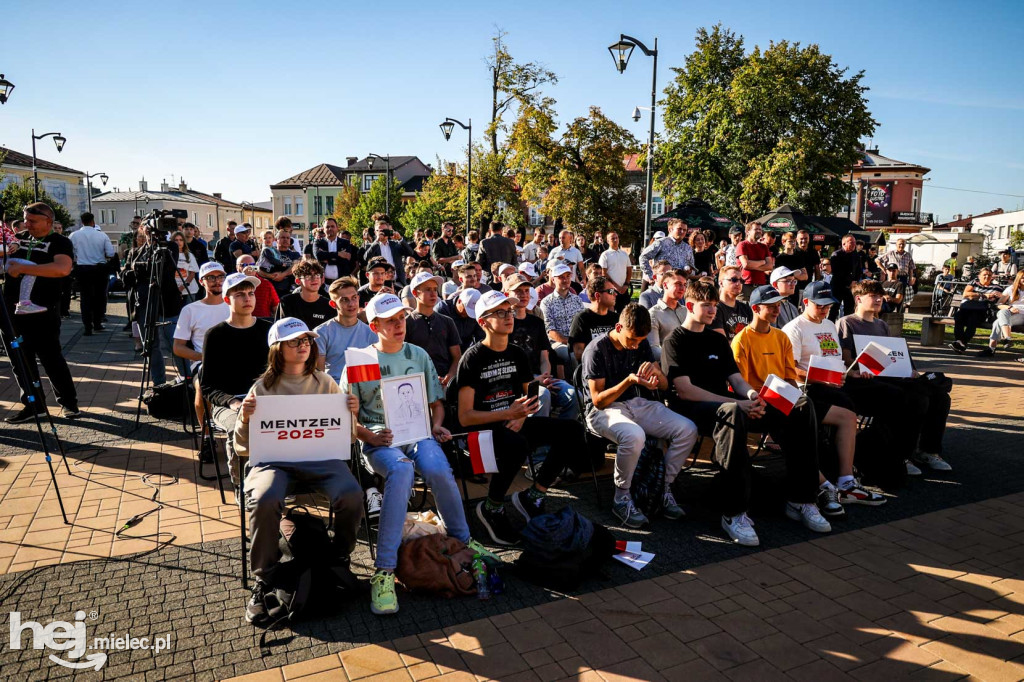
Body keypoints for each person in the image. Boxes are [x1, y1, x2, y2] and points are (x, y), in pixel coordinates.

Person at [665, 279, 823, 546]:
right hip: (694, 410)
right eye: (707, 305)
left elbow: (737, 380)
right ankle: (734, 512)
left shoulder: (716, 340)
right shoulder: (675, 341)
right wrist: (738, 404)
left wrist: (753, 396)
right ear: (690, 306)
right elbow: (684, 391)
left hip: (731, 406)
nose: (713, 310)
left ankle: (802, 498)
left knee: (801, 404)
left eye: (715, 305)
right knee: (731, 411)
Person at [233, 317, 363, 626]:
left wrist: (350, 415)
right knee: (265, 498)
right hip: (274, 461)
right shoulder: (262, 387)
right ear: (277, 349)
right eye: (295, 341)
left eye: (306, 340)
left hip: (320, 459)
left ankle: (339, 557)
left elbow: (347, 438)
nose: (303, 345)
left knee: (351, 494)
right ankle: (264, 576)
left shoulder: (325, 382)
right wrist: (245, 418)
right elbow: (242, 446)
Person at [455, 290, 589, 545]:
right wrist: (509, 413)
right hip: (483, 429)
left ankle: (534, 495)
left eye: (510, 311)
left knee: (571, 430)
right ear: (483, 322)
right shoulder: (473, 358)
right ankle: (492, 507)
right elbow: (465, 417)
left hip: (514, 420)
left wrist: (523, 415)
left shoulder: (516, 353)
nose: (510, 316)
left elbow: (530, 395)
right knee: (517, 445)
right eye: (501, 312)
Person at [734, 285, 874, 521]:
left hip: (785, 399)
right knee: (803, 421)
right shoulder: (742, 340)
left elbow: (789, 377)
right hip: (758, 402)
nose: (777, 309)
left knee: (811, 415)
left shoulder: (780, 337)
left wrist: (792, 395)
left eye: (779, 304)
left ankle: (827, 486)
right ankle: (823, 488)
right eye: (771, 306)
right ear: (756, 309)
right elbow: (743, 385)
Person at [783, 281, 910, 489]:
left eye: (828, 306)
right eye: (820, 305)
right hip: (812, 387)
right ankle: (849, 468)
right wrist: (822, 379)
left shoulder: (829, 324)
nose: (824, 310)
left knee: (895, 396)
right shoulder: (795, 329)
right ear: (806, 302)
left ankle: (881, 457)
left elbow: (835, 357)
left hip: (839, 381)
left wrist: (852, 373)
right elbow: (791, 370)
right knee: (848, 404)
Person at [582, 303, 697, 527]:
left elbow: (663, 386)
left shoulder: (641, 342)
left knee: (687, 429)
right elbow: (598, 401)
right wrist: (629, 381)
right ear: (618, 327)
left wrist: (657, 375)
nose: (635, 346)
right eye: (632, 340)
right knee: (634, 436)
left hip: (637, 402)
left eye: (640, 341)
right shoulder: (596, 349)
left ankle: (661, 487)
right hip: (603, 410)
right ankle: (622, 496)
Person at [837, 280, 953, 473]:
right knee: (914, 399)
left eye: (880, 296)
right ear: (858, 299)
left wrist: (908, 369)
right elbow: (845, 358)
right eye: (873, 296)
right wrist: (860, 368)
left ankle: (928, 450)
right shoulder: (846, 323)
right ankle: (901, 455)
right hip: (864, 381)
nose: (878, 300)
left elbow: (891, 355)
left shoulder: (882, 325)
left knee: (940, 397)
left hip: (888, 376)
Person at [1, 203, 81, 422]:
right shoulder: (17, 238)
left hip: (43, 310)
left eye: (32, 221)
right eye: (25, 219)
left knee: (51, 358)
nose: (27, 224)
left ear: (48, 220)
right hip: (10, 309)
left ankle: (69, 403)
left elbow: (62, 268)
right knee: (20, 361)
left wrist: (25, 268)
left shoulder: (60, 242)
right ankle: (33, 405)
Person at [200, 272, 273, 484]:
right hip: (228, 403)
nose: (248, 299)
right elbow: (207, 385)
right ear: (227, 300)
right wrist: (232, 402)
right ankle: (242, 484)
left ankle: (280, 480)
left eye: (251, 293)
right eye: (240, 294)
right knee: (239, 427)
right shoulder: (215, 335)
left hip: (265, 399)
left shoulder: (267, 330)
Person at [504, 273, 577, 419]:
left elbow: (544, 356)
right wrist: (534, 383)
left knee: (573, 395)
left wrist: (545, 378)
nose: (524, 295)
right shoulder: (505, 323)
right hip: (516, 380)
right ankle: (540, 439)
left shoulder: (536, 322)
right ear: (508, 294)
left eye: (526, 291)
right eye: (518, 291)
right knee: (542, 395)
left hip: (539, 375)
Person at [313, 276, 378, 383]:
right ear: (333, 304)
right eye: (344, 300)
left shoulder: (371, 332)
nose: (351, 304)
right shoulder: (320, 333)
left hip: (363, 389)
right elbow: (320, 377)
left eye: (354, 298)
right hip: (334, 391)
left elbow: (373, 374)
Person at [404, 271, 462, 387]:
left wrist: (449, 377)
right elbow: (404, 360)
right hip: (417, 385)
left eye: (435, 289)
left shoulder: (447, 322)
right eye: (428, 289)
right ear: (415, 293)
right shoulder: (406, 323)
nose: (433, 293)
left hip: (446, 385)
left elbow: (457, 357)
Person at [172, 262, 229, 373]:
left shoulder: (234, 306)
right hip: (204, 367)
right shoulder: (190, 310)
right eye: (211, 277)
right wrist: (204, 357)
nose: (217, 281)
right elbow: (178, 347)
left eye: (221, 277)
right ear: (201, 282)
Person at [68, 211, 115, 336]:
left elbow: (69, 253)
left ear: (82, 222)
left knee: (85, 298)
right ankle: (98, 322)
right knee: (99, 297)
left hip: (82, 269)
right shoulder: (102, 235)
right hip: (99, 269)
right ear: (93, 221)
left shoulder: (74, 235)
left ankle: (87, 326)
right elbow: (110, 253)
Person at [539, 263, 585, 371]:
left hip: (578, 341)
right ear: (553, 279)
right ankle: (576, 385)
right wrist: (570, 343)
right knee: (572, 355)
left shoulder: (577, 300)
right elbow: (550, 331)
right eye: (561, 277)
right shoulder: (546, 302)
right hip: (557, 343)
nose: (565, 280)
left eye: (568, 276)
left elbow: (584, 323)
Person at [949, 267, 1003, 353]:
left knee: (972, 319)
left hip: (981, 311)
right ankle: (960, 342)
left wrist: (974, 295)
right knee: (958, 316)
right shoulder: (974, 282)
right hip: (967, 308)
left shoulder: (996, 287)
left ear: (992, 276)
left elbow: (998, 299)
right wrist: (984, 295)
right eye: (984, 275)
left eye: (989, 275)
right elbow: (966, 294)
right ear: (979, 276)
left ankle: (960, 342)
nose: (987, 277)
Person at [569, 275, 619, 362]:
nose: (615, 294)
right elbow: (578, 353)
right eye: (611, 291)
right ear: (597, 295)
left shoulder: (616, 318)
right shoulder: (581, 319)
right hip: (593, 369)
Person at [646, 268, 688, 364]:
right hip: (670, 367)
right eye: (678, 284)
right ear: (665, 285)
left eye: (685, 285)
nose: (682, 288)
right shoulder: (653, 314)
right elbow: (654, 349)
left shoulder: (686, 311)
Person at [279, 260, 333, 330]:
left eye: (317, 275)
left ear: (322, 279)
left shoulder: (329, 305)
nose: (314, 279)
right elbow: (281, 330)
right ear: (298, 281)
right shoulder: (287, 302)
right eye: (308, 276)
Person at [639, 218, 695, 286]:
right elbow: (643, 257)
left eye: (685, 230)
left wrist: (690, 271)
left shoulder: (687, 248)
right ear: (670, 229)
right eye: (679, 229)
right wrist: (651, 275)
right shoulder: (661, 243)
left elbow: (692, 267)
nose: (682, 232)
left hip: (681, 286)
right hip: (663, 285)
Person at [981, 271, 1024, 356]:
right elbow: (999, 304)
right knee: (1002, 313)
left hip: (1022, 315)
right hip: (1011, 313)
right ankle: (1007, 338)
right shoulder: (1011, 288)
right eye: (1023, 277)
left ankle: (992, 348)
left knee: (998, 321)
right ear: (1018, 278)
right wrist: (1009, 307)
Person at [362, 219, 413, 286]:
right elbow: (366, 258)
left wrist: (400, 239)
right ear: (375, 232)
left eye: (385, 230)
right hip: (379, 283)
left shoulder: (395, 244)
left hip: (397, 282)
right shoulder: (371, 246)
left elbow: (410, 252)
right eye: (380, 231)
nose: (383, 233)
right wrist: (377, 241)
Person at [711, 265, 752, 342]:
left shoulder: (746, 307)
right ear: (721, 283)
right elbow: (722, 343)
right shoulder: (714, 308)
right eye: (734, 280)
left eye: (741, 281)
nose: (738, 283)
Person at [435, 287, 484, 352]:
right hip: (442, 352)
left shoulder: (476, 314)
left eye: (472, 311)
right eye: (466, 309)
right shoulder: (442, 309)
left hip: (466, 352)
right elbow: (438, 339)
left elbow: (480, 337)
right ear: (459, 301)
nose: (467, 314)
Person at [258, 229, 301, 298]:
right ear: (276, 239)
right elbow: (259, 269)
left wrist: (282, 275)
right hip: (271, 289)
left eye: (288, 238)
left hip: (289, 290)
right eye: (283, 237)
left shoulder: (295, 254)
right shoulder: (268, 252)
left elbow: (295, 266)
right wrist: (270, 276)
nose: (286, 240)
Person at [313, 218, 357, 285]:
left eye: (332, 226)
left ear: (337, 228)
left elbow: (346, 260)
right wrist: (338, 254)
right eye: (327, 227)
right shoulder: (319, 242)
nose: (330, 228)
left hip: (342, 282)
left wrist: (328, 259)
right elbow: (318, 255)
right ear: (324, 229)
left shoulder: (345, 243)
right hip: (323, 283)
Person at [736, 221, 773, 299]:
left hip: (761, 285)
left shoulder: (764, 247)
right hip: (745, 285)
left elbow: (770, 266)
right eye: (756, 229)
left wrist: (753, 265)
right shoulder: (742, 245)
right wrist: (762, 262)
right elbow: (746, 264)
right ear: (748, 232)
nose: (759, 231)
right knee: (744, 309)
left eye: (760, 229)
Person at [828, 234, 862, 321]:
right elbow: (837, 272)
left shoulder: (856, 255)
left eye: (855, 242)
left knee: (849, 310)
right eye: (851, 242)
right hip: (838, 286)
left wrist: (855, 281)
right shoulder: (836, 255)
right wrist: (848, 282)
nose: (854, 244)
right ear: (844, 244)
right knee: (834, 309)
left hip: (851, 287)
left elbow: (859, 270)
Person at [598, 230, 633, 313]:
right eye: (612, 238)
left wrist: (625, 285)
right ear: (608, 241)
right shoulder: (605, 255)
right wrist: (616, 287)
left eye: (616, 238)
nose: (615, 240)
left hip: (624, 290)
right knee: (611, 313)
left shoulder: (624, 254)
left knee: (625, 313)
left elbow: (629, 270)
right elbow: (604, 273)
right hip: (610, 290)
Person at [236, 254, 278, 320]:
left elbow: (276, 308)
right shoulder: (233, 284)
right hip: (240, 322)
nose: (249, 268)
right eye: (244, 265)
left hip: (262, 323)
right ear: (237, 268)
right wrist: (243, 277)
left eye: (252, 265)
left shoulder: (266, 284)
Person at [170, 231, 200, 303]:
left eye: (181, 240)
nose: (178, 242)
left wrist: (183, 286)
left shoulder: (189, 255)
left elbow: (192, 274)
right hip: (173, 290)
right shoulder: (169, 255)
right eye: (176, 240)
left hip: (189, 290)